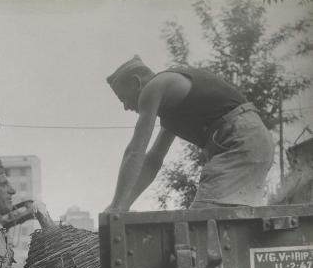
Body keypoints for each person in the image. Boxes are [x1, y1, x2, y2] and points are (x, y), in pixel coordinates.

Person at [105, 55, 275, 211]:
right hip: (254, 141)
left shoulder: (153, 89)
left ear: (136, 82)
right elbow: (153, 160)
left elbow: (136, 150)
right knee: (228, 219)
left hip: (239, 140)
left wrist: (116, 207)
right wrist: (123, 205)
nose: (126, 107)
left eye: (123, 99)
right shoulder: (171, 107)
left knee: (201, 222)